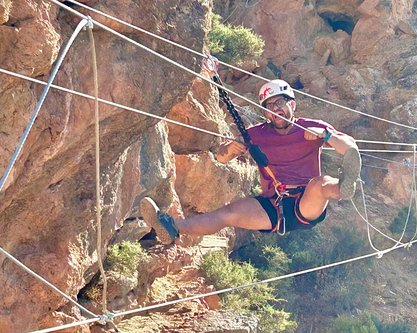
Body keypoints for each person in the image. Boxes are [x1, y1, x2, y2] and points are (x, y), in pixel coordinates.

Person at [141, 79, 361, 244]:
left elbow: (350, 146)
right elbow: (221, 157)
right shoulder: (256, 134)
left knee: (319, 184)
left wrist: (326, 135)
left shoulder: (311, 126)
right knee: (227, 214)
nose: (276, 110)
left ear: (292, 105)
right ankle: (171, 227)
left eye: (281, 103)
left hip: (305, 201)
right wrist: (231, 149)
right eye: (269, 106)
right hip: (273, 205)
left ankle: (343, 187)